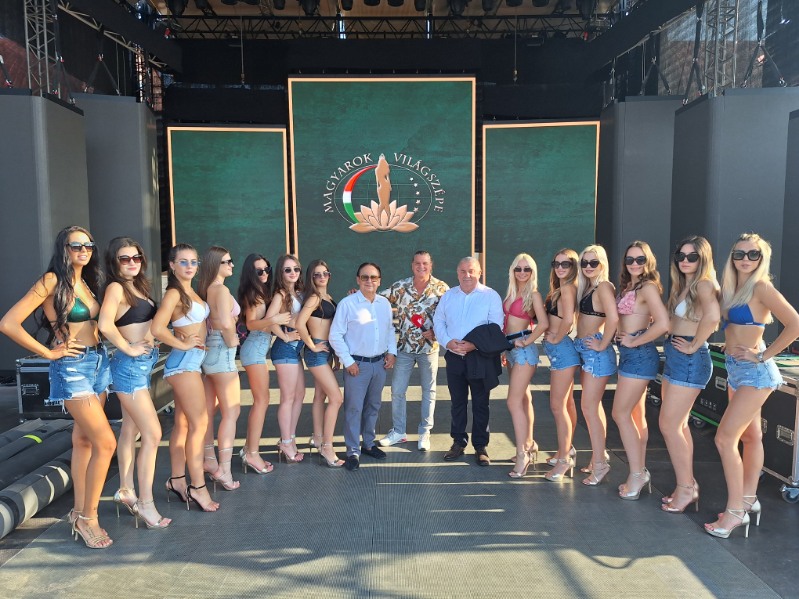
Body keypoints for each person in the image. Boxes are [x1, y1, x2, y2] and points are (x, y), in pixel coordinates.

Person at [0, 226, 115, 548]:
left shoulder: (87, 282)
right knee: (106, 442)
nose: (84, 250)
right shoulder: (51, 281)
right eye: (76, 245)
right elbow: (8, 323)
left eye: (88, 245)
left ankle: (78, 512)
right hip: (72, 368)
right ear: (63, 249)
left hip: (98, 363)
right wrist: (49, 352)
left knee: (84, 441)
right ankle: (89, 517)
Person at [705, 233, 799, 538]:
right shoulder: (732, 288)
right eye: (739, 253)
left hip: (756, 373)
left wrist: (763, 355)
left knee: (724, 439)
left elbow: (795, 323)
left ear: (762, 258)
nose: (745, 259)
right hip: (735, 369)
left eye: (753, 254)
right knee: (751, 436)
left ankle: (735, 513)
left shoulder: (761, 287)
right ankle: (748, 500)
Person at [98, 237, 170, 530]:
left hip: (141, 365)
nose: (132, 263)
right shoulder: (116, 288)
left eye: (136, 257)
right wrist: (128, 347)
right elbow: (104, 324)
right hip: (129, 368)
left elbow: (141, 324)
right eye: (124, 258)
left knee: (130, 429)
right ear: (114, 262)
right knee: (153, 433)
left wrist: (148, 340)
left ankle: (126, 489)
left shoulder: (137, 286)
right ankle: (146, 502)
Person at [151, 243, 219, 512]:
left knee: (182, 425)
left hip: (192, 363)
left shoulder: (190, 291)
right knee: (199, 424)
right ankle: (198, 487)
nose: (190, 266)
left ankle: (177, 480)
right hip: (184, 364)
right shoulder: (173, 293)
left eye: (193, 262)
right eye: (183, 262)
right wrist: (182, 344)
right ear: (172, 265)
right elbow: (157, 328)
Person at [660, 236, 720, 514]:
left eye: (691, 257)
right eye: (681, 256)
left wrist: (695, 345)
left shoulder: (704, 284)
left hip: (690, 359)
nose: (685, 261)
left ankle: (686, 488)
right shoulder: (685, 285)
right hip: (676, 356)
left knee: (669, 425)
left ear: (702, 259)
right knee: (679, 425)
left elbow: (713, 317)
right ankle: (687, 485)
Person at [433, 257, 504, 466]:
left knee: (481, 404)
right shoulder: (448, 296)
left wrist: (474, 345)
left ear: (480, 272)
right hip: (454, 356)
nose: (467, 275)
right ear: (457, 273)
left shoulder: (490, 296)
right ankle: (458, 442)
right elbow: (438, 321)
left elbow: (496, 326)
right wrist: (447, 342)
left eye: (471, 271)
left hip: (479, 357)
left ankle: (480, 446)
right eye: (463, 271)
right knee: (457, 402)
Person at [612, 241, 669, 500]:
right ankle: (639, 470)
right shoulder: (629, 286)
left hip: (639, 355)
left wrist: (635, 340)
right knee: (636, 417)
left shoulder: (647, 287)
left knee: (620, 413)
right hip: (629, 355)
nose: (634, 264)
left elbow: (663, 323)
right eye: (630, 260)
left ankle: (637, 474)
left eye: (640, 259)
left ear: (649, 262)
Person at [378, 251, 449, 451]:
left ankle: (424, 433)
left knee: (429, 391)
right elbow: (377, 298)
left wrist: (436, 332)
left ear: (431, 265)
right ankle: (398, 432)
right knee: (397, 391)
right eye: (417, 263)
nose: (421, 267)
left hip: (429, 349)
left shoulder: (442, 289)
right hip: (404, 348)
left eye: (425, 263)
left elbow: (450, 316)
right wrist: (356, 295)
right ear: (412, 265)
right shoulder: (400, 287)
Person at [329, 262, 397, 472]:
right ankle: (353, 451)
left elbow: (389, 330)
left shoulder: (384, 304)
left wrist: (392, 352)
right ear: (358, 280)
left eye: (373, 277)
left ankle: (368, 443)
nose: (369, 281)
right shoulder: (347, 304)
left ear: (379, 281)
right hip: (357, 366)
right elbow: (335, 335)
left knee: (373, 406)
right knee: (354, 408)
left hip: (379, 364)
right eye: (365, 277)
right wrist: (348, 361)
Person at [237, 254, 290, 474]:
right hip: (254, 351)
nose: (265, 273)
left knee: (262, 400)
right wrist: (274, 320)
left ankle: (249, 449)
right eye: (259, 271)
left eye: (267, 269)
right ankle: (252, 453)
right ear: (251, 273)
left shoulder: (262, 292)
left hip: (258, 351)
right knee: (261, 401)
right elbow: (251, 324)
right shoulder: (253, 294)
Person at [574, 245, 618, 486]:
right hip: (586, 351)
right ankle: (598, 456)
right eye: (585, 263)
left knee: (589, 408)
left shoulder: (603, 286)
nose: (588, 267)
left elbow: (614, 317)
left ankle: (600, 464)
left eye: (594, 263)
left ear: (602, 264)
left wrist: (603, 344)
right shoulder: (589, 287)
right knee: (593, 407)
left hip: (596, 354)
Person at [197, 247, 241, 491]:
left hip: (209, 351)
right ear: (215, 264)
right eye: (227, 261)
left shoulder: (206, 289)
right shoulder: (221, 290)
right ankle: (224, 469)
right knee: (231, 412)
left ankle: (209, 459)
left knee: (209, 411)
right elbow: (224, 321)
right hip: (222, 350)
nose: (232, 265)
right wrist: (233, 339)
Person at [296, 259, 345, 467]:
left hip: (326, 351)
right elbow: (299, 323)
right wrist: (312, 345)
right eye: (317, 274)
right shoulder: (314, 298)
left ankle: (317, 438)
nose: (322, 277)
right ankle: (327, 446)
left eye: (325, 273)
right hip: (317, 352)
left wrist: (335, 355)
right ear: (311, 277)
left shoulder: (328, 297)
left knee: (320, 396)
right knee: (336, 398)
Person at [503, 253, 548, 478]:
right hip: (510, 349)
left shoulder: (534, 294)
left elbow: (543, 323)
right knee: (523, 398)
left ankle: (522, 454)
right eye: (518, 269)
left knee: (513, 401)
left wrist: (527, 341)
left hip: (523, 351)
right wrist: (503, 348)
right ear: (512, 270)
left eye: (526, 269)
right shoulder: (512, 292)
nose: (522, 273)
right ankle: (529, 443)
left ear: (532, 272)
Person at [542, 249, 581, 482]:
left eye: (565, 264)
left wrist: (556, 337)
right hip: (561, 352)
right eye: (556, 263)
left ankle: (564, 459)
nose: (560, 268)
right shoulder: (563, 287)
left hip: (563, 352)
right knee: (566, 404)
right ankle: (566, 450)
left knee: (557, 406)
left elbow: (567, 319)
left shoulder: (567, 288)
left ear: (574, 266)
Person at [266, 254, 306, 463]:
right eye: (288, 269)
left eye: (296, 269)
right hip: (284, 349)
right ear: (281, 273)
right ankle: (285, 441)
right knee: (288, 397)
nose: (293, 273)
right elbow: (269, 320)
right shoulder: (280, 294)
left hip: (295, 351)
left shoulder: (298, 293)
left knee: (299, 394)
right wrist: (285, 336)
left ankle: (290, 439)